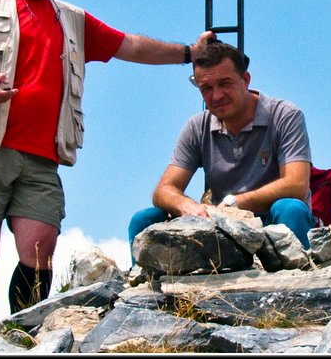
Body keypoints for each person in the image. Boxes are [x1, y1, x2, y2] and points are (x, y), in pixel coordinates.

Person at [0, 0, 213, 319]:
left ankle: (22, 330)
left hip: (43, 155)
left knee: (40, 248)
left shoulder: (72, 20)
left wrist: (189, 53)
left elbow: (129, 46)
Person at [128, 39, 315, 253]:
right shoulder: (197, 127)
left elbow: (296, 185)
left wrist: (233, 203)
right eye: (206, 88)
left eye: (225, 83)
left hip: (269, 222)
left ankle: (296, 271)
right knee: (144, 219)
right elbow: (163, 190)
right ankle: (146, 276)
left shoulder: (285, 115)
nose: (216, 96)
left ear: (245, 80)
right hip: (223, 228)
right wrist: (188, 207)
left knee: (290, 208)